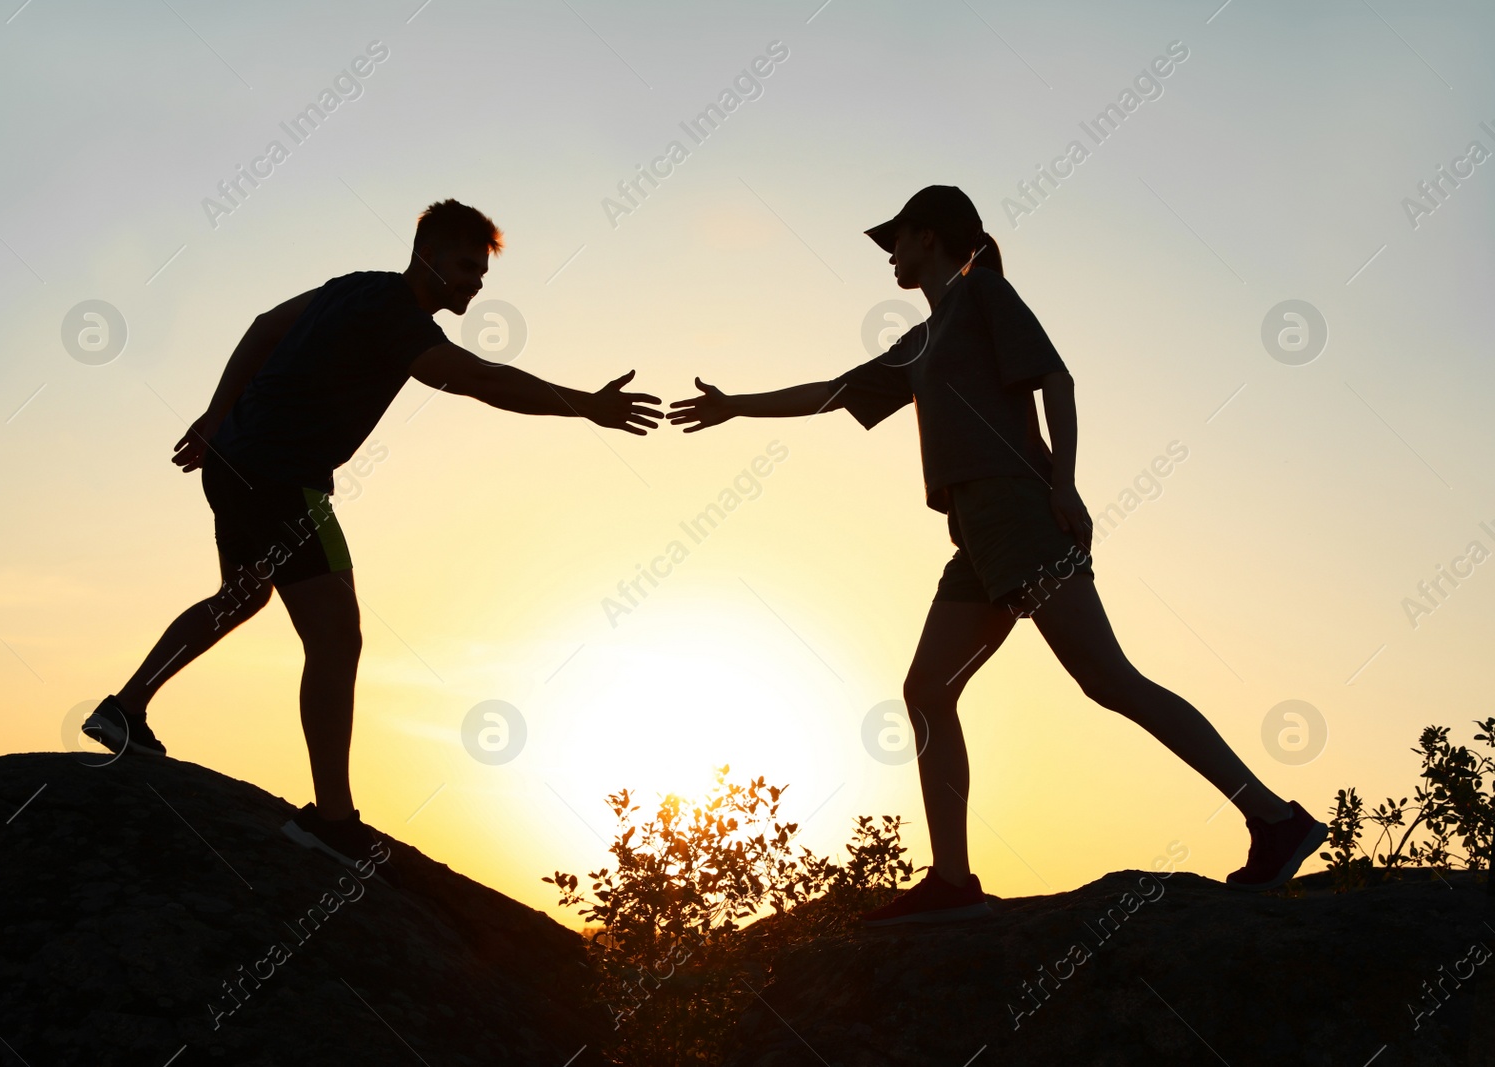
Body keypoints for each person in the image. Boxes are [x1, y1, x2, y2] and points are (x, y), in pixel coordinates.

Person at [669, 185, 1327, 924]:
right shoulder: (922, 337)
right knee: (926, 691)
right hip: (974, 535)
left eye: (899, 238)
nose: (889, 252)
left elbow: (1057, 379)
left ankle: (1275, 818)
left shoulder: (984, 292)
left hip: (1019, 511)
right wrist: (735, 406)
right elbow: (834, 391)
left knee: (1108, 678)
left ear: (931, 237)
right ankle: (952, 877)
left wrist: (1067, 485)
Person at [82, 199, 663, 868]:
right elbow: (473, 377)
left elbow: (265, 326)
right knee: (337, 635)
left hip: (236, 458)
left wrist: (218, 414)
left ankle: (124, 708)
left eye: (482, 271)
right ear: (429, 258)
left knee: (243, 595)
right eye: (467, 267)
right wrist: (586, 404)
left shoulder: (354, 286)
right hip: (281, 475)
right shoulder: (396, 316)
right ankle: (332, 821)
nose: (476, 281)